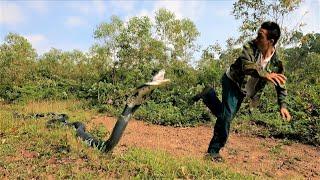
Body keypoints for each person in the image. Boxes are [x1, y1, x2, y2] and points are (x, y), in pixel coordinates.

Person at [193, 21, 292, 161]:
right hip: (231, 81)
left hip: (243, 90)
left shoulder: (277, 62)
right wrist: (266, 75)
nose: (256, 38)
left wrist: (283, 105)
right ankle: (213, 152)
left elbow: (280, 84)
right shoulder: (249, 46)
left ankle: (209, 95)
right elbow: (247, 67)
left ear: (271, 41)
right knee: (226, 117)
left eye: (260, 36)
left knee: (226, 116)